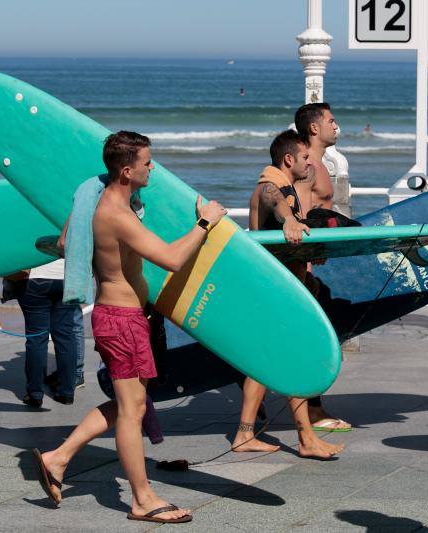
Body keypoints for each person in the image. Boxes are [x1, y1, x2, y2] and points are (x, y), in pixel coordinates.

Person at [35, 131, 227, 523]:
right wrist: (205, 223)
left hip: (125, 318)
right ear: (127, 170)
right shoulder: (115, 214)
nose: (152, 167)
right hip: (120, 321)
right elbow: (172, 259)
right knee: (131, 410)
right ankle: (141, 500)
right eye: (147, 162)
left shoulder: (102, 198)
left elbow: (65, 239)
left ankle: (58, 458)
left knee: (130, 405)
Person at [235, 129, 345, 459]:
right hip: (276, 290)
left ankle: (251, 435)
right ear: (288, 160)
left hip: (278, 287)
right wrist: (289, 221)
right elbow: (273, 199)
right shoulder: (271, 186)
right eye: (305, 157)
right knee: (286, 359)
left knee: (269, 362)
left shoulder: (283, 184)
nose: (311, 161)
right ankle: (304, 439)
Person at [293, 102, 352, 432]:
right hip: (306, 267)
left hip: (316, 263)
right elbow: (298, 216)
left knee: (312, 334)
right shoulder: (307, 165)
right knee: (312, 336)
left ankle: (255, 403)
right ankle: (312, 411)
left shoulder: (317, 162)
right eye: (331, 120)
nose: (336, 126)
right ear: (314, 128)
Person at [3, 259, 85, 408]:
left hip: (34, 278)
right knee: (66, 336)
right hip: (67, 276)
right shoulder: (68, 233)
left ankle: (35, 394)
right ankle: (66, 392)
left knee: (36, 338)